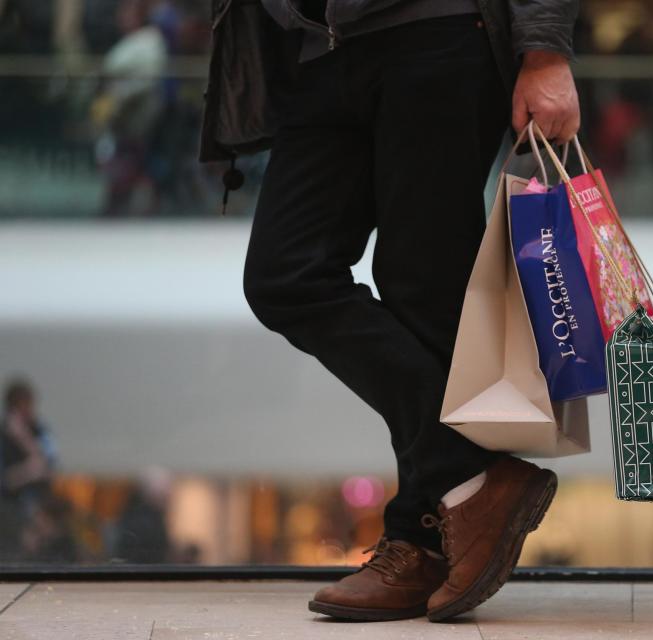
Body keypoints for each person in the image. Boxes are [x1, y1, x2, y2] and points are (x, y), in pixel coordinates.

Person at [200, 0, 580, 623]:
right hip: (317, 48)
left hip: (440, 28)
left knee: (423, 287)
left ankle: (423, 539)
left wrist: (545, 51)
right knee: (284, 277)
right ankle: (471, 482)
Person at [0, 378, 57, 517]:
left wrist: (24, 438)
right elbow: (5, 479)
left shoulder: (40, 430)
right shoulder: (3, 436)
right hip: (9, 505)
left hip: (38, 501)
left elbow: (49, 463)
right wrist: (29, 471)